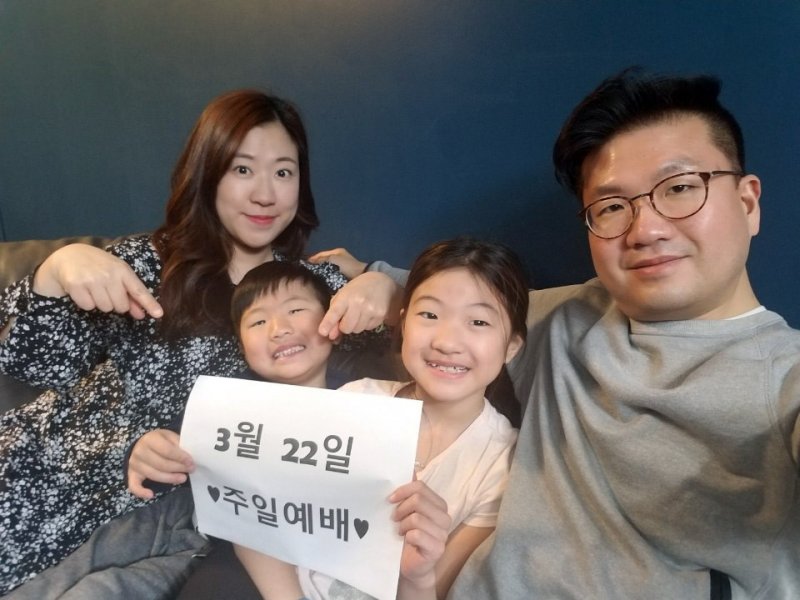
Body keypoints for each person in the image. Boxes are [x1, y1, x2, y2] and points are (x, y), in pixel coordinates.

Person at [0, 89, 399, 594]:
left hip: (198, 524)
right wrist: (56, 272)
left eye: (283, 172)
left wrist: (385, 285)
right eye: (242, 169)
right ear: (207, 173)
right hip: (56, 477)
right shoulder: (146, 264)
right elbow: (34, 366)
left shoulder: (315, 288)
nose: (266, 194)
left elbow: (443, 331)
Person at [445, 69, 800, 599]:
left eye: (680, 188)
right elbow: (444, 307)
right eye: (612, 207)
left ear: (748, 204)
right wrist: (365, 282)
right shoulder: (566, 317)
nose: (646, 230)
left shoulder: (785, 375)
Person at [238, 237, 527, 600]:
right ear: (403, 324)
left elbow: (432, 591)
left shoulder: (501, 465)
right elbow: (255, 520)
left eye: (478, 321)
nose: (447, 341)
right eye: (430, 315)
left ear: (511, 346)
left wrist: (418, 576)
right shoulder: (356, 400)